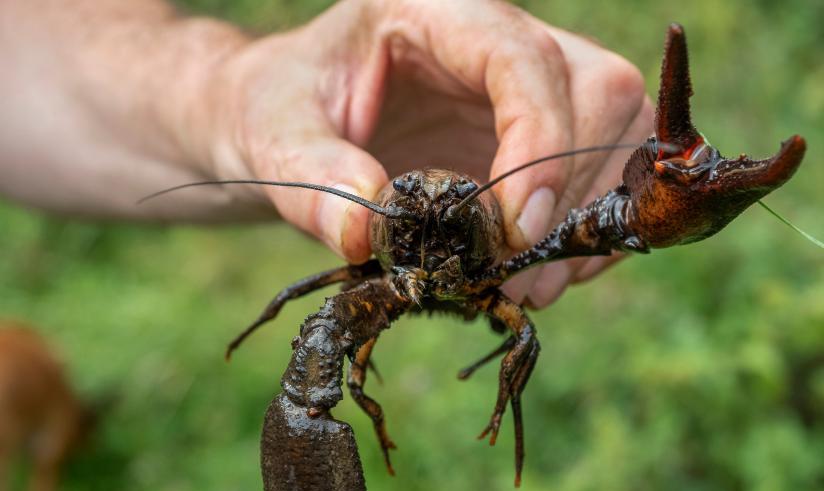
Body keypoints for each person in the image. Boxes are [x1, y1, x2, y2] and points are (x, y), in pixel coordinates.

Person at [0, 0, 652, 307]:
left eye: (445, 210)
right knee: (312, 324)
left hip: (496, 282)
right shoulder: (380, 257)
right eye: (411, 210)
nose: (426, 219)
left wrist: (222, 93)